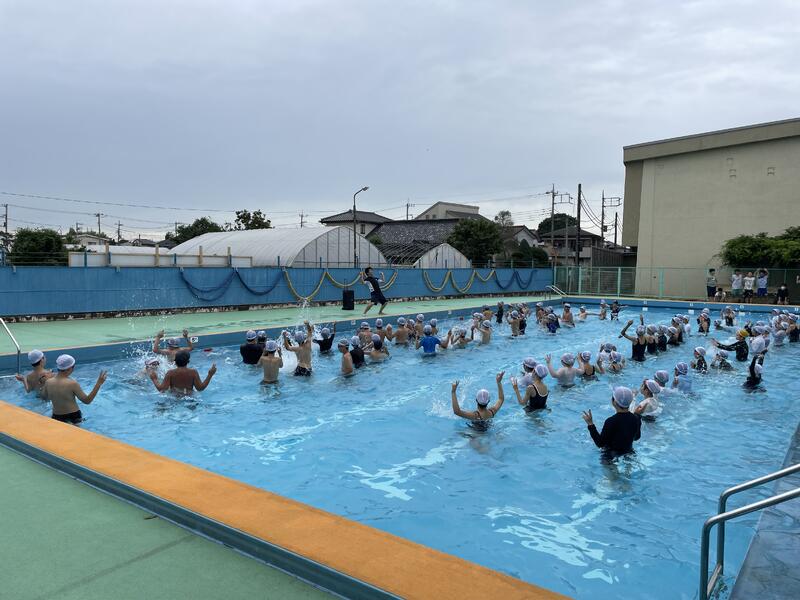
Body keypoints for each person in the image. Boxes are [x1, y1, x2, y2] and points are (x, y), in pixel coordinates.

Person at [40, 355, 107, 424]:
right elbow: (87, 401)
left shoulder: (48, 382)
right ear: (69, 368)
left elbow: (43, 397)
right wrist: (99, 383)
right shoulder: (72, 383)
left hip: (57, 416)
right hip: (74, 416)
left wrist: (42, 383)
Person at [582, 387, 641, 457]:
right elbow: (636, 437)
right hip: (629, 452)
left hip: (610, 456)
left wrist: (590, 424)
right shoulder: (636, 418)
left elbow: (600, 443)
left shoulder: (610, 421)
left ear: (614, 402)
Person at [150, 350, 216, 395]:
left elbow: (162, 390)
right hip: (189, 397)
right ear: (188, 362)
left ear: (175, 362)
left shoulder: (170, 373)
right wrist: (210, 375)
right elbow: (200, 388)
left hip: (174, 398)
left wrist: (154, 379)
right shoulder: (193, 372)